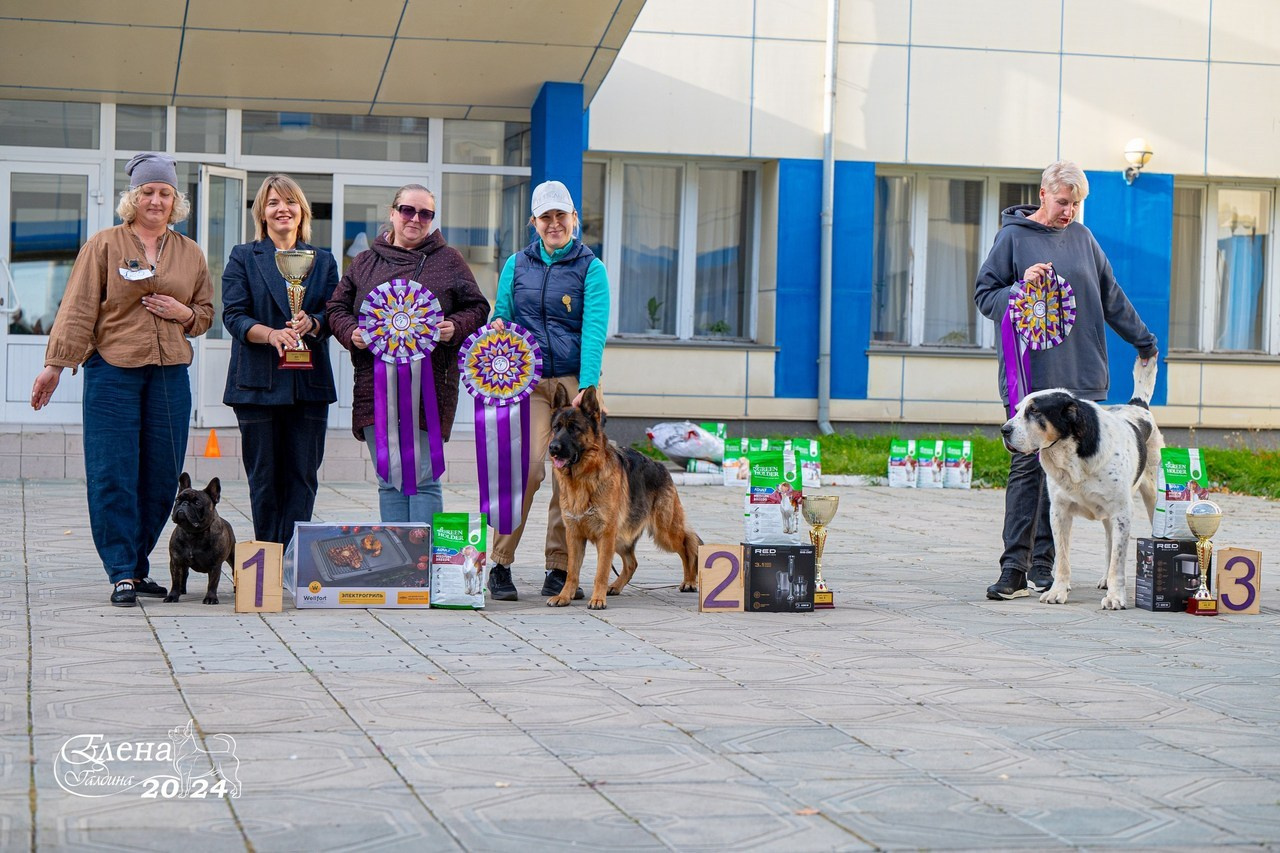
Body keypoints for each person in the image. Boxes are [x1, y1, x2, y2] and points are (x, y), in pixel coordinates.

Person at [30, 152, 214, 607]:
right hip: (112, 371)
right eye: (147, 192)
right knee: (113, 473)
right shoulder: (105, 245)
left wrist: (185, 312)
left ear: (176, 201)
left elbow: (207, 313)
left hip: (170, 373)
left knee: (160, 475)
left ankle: (135, 565)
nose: (156, 200)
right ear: (133, 199)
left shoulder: (190, 253)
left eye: (164, 193)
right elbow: (77, 308)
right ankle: (120, 571)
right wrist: (55, 364)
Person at [974, 160, 1158, 601]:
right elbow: (985, 294)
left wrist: (1144, 341)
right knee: (1028, 470)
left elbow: (1111, 296)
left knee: (1072, 476)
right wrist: (1019, 289)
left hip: (1084, 379)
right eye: (1063, 202)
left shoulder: (1083, 238)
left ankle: (1046, 567)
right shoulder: (1013, 238)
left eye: (1076, 204)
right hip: (1032, 380)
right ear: (1043, 194)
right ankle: (1013, 569)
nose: (1069, 211)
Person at [327, 184, 489, 523]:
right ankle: (399, 566)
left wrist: (453, 327)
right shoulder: (365, 261)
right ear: (392, 213)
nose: (415, 218)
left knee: (424, 479)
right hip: (375, 388)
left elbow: (477, 307)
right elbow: (336, 307)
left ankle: (425, 565)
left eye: (425, 213)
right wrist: (350, 332)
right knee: (389, 479)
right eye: (407, 210)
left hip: (428, 388)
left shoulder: (449, 260)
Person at [486, 180, 611, 602]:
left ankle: (560, 568)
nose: (554, 223)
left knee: (569, 473)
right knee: (530, 468)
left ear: (574, 219)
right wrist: (498, 326)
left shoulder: (591, 268)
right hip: (528, 381)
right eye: (546, 217)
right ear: (534, 223)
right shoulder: (516, 265)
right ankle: (500, 562)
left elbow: (594, 330)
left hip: (573, 382)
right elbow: (501, 314)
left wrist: (588, 386)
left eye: (562, 215)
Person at [222, 175, 339, 545]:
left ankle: (293, 562)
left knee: (303, 477)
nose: (281, 209)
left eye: (289, 202)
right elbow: (233, 315)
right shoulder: (243, 255)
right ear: (262, 212)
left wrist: (315, 322)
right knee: (264, 479)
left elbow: (335, 313)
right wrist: (271, 335)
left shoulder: (323, 260)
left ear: (302, 210)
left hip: (309, 386)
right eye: (272, 203)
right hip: (257, 384)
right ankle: (268, 563)